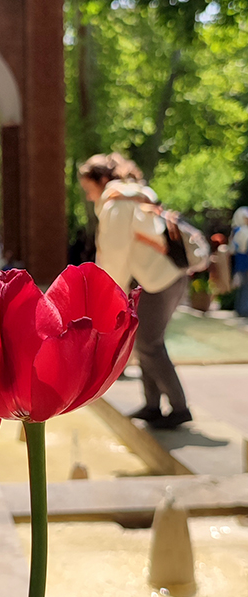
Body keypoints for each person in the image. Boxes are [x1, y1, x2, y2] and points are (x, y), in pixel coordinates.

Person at [78, 152, 192, 429]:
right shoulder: (136, 194)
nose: (90, 197)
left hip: (156, 281)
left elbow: (115, 254)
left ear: (102, 180)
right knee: (144, 343)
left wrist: (106, 295)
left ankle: (179, 408)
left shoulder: (117, 202)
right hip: (166, 277)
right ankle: (153, 405)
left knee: (148, 344)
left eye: (88, 189)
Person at [230, 207, 248, 318]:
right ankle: (243, 311)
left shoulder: (237, 230)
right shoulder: (241, 231)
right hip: (243, 263)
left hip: (241, 263)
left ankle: (241, 309)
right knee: (244, 287)